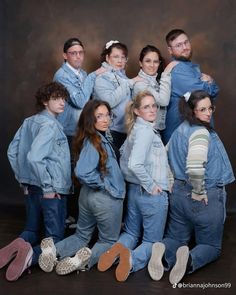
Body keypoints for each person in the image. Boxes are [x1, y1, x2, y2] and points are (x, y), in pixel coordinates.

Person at [148, 90, 235, 285]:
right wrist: (198, 191)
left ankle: (163, 252)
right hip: (204, 197)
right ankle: (188, 261)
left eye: (210, 108)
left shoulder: (180, 130)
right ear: (191, 111)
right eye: (202, 109)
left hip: (179, 195)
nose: (208, 113)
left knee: (176, 238)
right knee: (210, 245)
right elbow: (195, 167)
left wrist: (170, 181)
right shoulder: (201, 133)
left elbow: (164, 155)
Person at [38, 100, 125, 275]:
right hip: (104, 199)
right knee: (108, 240)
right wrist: (106, 186)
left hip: (87, 197)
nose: (105, 119)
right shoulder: (95, 142)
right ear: (89, 119)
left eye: (107, 115)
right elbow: (83, 172)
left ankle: (54, 251)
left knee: (81, 236)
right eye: (99, 116)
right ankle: (85, 259)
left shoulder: (92, 138)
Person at [0, 82, 71, 281]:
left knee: (32, 229)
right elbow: (34, 157)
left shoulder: (29, 122)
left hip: (31, 187)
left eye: (64, 98)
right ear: (44, 101)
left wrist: (24, 181)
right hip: (51, 191)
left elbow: (12, 152)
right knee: (54, 238)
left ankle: (20, 243)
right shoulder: (50, 125)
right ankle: (30, 256)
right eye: (56, 98)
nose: (62, 103)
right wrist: (48, 187)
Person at [97, 91, 169, 282]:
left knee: (130, 232)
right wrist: (151, 185)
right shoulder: (145, 132)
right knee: (151, 241)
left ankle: (116, 251)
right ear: (137, 111)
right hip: (150, 194)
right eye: (146, 106)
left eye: (154, 105)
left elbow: (125, 163)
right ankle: (131, 260)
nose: (152, 109)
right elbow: (135, 164)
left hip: (134, 192)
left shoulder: (136, 129)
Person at [54, 38, 106, 226]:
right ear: (65, 55)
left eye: (80, 52)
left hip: (81, 130)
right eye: (73, 53)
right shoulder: (62, 75)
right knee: (69, 172)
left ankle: (79, 215)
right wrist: (94, 76)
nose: (78, 56)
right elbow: (80, 100)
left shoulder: (82, 73)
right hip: (68, 131)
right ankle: (67, 216)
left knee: (81, 170)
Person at [162, 29, 220, 145]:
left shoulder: (188, 67)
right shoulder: (178, 70)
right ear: (170, 50)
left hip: (194, 133)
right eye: (178, 45)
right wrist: (211, 82)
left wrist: (210, 82)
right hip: (182, 135)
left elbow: (211, 93)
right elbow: (205, 94)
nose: (185, 47)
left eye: (186, 42)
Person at [93, 40, 142, 150]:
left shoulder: (123, 77)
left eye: (123, 57)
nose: (120, 60)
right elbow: (108, 102)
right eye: (116, 57)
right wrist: (130, 83)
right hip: (111, 131)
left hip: (126, 130)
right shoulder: (101, 78)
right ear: (107, 58)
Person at [133, 45, 178, 131]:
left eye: (156, 62)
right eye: (148, 61)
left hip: (155, 130)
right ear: (140, 63)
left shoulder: (156, 81)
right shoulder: (140, 84)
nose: (152, 65)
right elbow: (163, 101)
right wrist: (166, 73)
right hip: (144, 130)